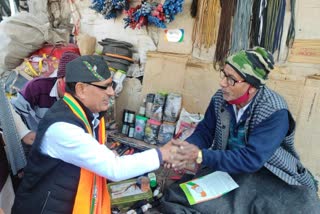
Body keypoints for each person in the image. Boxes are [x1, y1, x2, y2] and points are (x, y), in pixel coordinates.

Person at [160, 47, 320, 213]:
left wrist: (200, 155)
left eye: (231, 79)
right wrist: (183, 149)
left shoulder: (275, 112)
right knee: (180, 197)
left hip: (266, 173)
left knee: (297, 208)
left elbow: (251, 159)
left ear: (251, 87)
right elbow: (205, 132)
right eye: (224, 74)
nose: (222, 83)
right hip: (228, 167)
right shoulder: (220, 98)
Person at [12, 55, 174, 214]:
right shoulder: (62, 128)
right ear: (81, 89)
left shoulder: (90, 115)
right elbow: (115, 168)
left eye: (112, 85)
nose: (112, 92)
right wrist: (161, 154)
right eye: (105, 86)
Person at [11, 51, 80, 133]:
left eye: (77, 84)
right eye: (69, 82)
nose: (73, 88)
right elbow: (12, 112)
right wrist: (24, 133)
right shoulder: (37, 88)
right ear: (59, 79)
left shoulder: (83, 97)